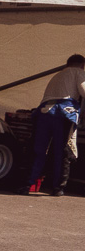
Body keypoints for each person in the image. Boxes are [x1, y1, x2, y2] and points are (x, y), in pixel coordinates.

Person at [22, 53, 84, 196]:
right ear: (82, 65)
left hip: (44, 112)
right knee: (61, 151)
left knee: (39, 150)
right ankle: (58, 187)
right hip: (63, 113)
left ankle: (27, 184)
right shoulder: (79, 72)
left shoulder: (57, 75)